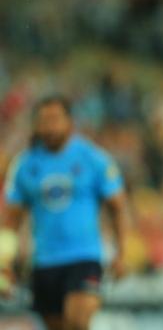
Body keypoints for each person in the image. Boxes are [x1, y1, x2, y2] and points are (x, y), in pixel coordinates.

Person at [0, 95, 128, 330]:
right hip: (45, 261)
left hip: (84, 257)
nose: (49, 126)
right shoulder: (26, 165)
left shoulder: (93, 159)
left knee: (78, 322)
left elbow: (117, 207)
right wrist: (4, 263)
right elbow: (11, 220)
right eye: (44, 120)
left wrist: (122, 251)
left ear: (70, 122)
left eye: (55, 119)